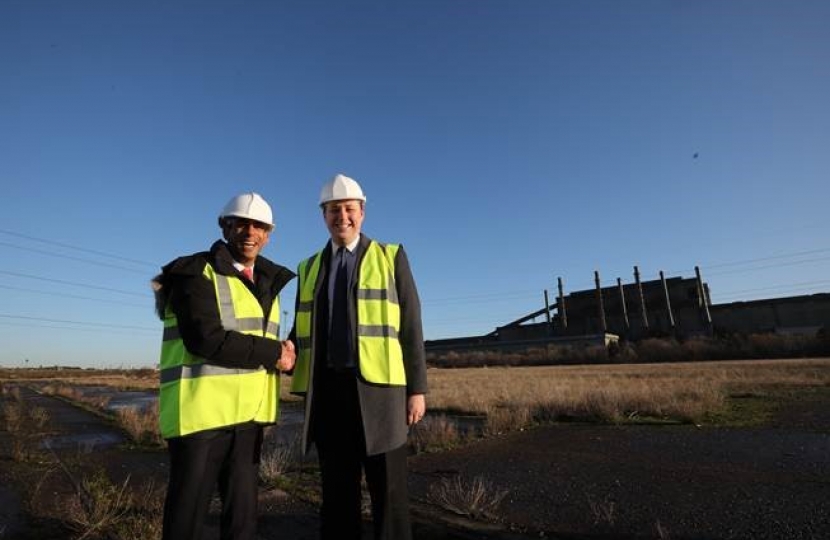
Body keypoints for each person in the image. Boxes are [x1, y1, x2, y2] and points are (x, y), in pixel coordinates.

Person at [290, 174, 428, 540]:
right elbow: (303, 328)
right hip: (329, 392)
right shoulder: (308, 267)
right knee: (337, 491)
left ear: (362, 212)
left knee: (390, 492)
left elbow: (411, 327)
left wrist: (417, 389)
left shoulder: (391, 256)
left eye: (349, 209)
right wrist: (285, 351)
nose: (342, 217)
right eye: (334, 210)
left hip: (380, 392)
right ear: (323, 215)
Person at [152, 192, 296, 540]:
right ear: (224, 227)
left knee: (243, 520)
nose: (250, 232)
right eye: (241, 224)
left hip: (248, 418)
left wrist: (290, 356)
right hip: (201, 418)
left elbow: (270, 343)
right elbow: (205, 338)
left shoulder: (267, 283)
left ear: (268, 234)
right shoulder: (193, 272)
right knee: (187, 519)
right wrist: (275, 352)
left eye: (259, 226)